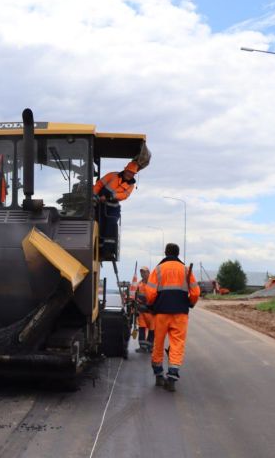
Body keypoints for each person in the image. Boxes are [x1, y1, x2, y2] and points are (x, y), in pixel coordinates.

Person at [145, 243, 200, 392]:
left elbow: (150, 293)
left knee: (158, 342)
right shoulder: (186, 270)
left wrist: (150, 305)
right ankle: (172, 377)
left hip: (161, 313)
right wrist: (190, 303)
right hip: (180, 314)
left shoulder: (158, 270)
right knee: (177, 344)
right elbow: (195, 292)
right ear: (178, 253)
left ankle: (158, 376)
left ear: (165, 253)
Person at [93, 161, 139, 256]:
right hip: (100, 205)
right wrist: (94, 195)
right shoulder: (112, 175)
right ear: (125, 170)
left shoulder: (131, 185)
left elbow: (124, 196)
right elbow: (99, 185)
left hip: (113, 208)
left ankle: (107, 251)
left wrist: (109, 196)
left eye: (132, 173)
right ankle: (97, 248)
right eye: (129, 172)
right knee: (99, 225)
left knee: (111, 225)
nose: (130, 175)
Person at [135, 266, 155, 353]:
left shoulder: (153, 283)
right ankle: (142, 347)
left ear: (148, 273)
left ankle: (150, 347)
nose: (142, 274)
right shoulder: (139, 284)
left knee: (152, 330)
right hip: (142, 311)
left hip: (151, 311)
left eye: (144, 272)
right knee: (142, 328)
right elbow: (135, 296)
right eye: (141, 272)